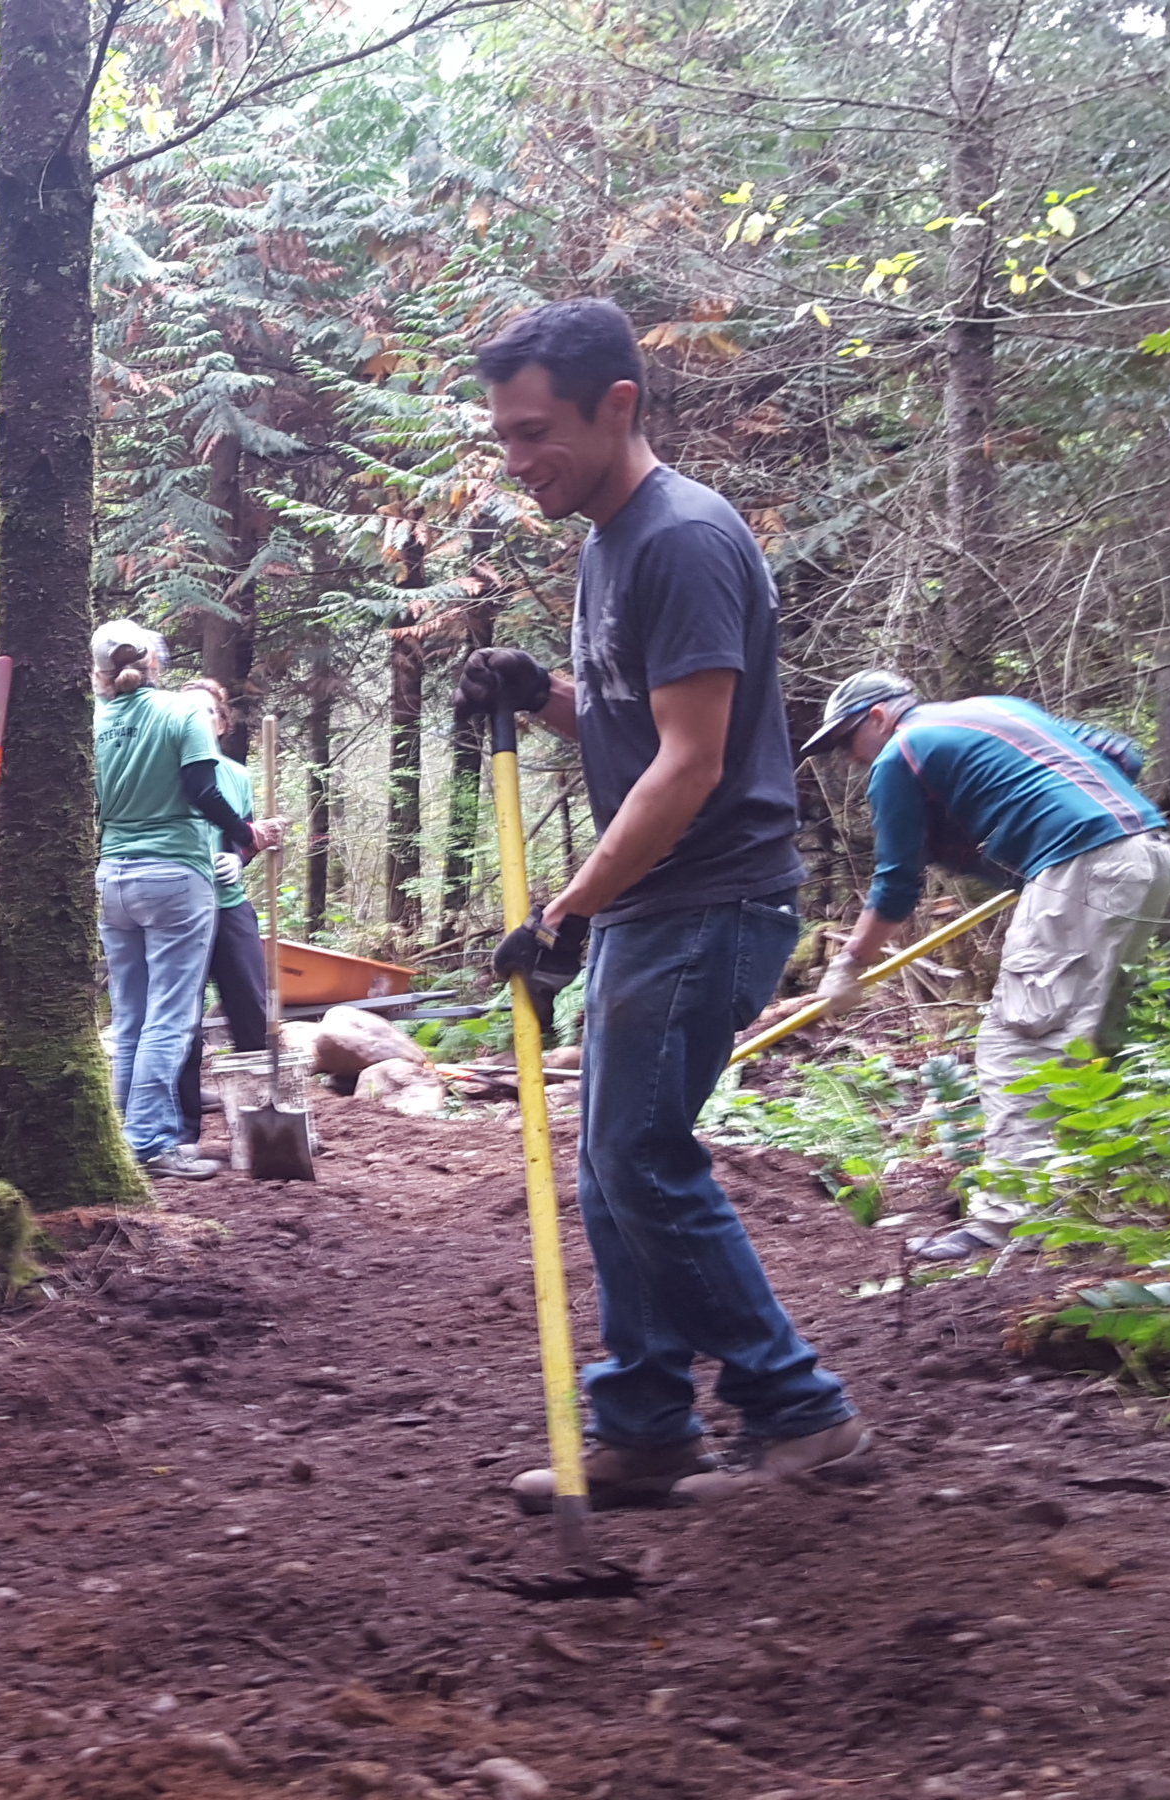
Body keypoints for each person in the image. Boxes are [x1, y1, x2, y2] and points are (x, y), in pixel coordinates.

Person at [452, 297, 867, 1509]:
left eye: (536, 435)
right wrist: (544, 695)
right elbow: (641, 723)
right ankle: (644, 1419)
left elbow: (695, 764)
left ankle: (800, 1411)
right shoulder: (609, 541)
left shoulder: (682, 537)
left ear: (618, 405)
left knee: (639, 1155)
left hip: (707, 900)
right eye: (507, 438)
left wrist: (566, 911)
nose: (519, 462)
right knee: (611, 1162)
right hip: (660, 902)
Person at [801, 669, 1170, 1257]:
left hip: (1085, 866)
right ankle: (1082, 1203)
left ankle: (1009, 1226)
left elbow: (897, 883)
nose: (849, 760)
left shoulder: (899, 754)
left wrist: (849, 963)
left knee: (1018, 1045)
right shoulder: (999, 708)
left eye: (847, 741)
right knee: (1082, 1039)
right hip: (1146, 854)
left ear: (878, 717)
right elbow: (1119, 750)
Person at [92, 621, 280, 1180]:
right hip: (174, 875)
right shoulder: (181, 711)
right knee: (171, 1019)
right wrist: (244, 836)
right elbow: (203, 789)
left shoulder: (96, 721)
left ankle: (121, 1138)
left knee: (129, 1017)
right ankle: (149, 1142)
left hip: (112, 875)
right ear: (155, 661)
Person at [172, 678, 275, 1153]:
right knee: (183, 1021)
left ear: (222, 721)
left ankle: (262, 1120)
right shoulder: (167, 770)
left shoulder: (237, 775)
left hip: (231, 905)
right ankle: (183, 1131)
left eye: (208, 711)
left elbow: (246, 835)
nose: (200, 719)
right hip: (180, 910)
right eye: (188, 710)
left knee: (250, 1009)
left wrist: (239, 853)